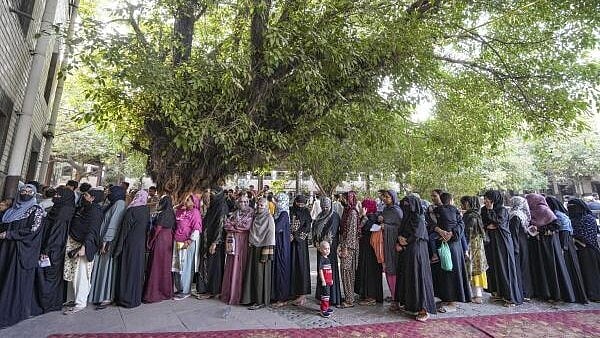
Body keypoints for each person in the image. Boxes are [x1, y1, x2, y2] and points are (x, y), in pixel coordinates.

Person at [0, 184, 45, 328]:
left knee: (12, 280)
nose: (25, 193)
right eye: (23, 191)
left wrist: (10, 235)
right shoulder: (12, 210)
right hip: (6, 249)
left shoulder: (36, 210)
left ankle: (11, 313)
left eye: (29, 191)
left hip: (21, 251)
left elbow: (33, 230)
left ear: (34, 194)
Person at [32, 186, 76, 315]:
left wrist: (46, 250)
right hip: (56, 249)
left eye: (58, 195)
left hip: (54, 250)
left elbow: (56, 234)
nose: (55, 197)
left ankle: (47, 304)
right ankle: (51, 303)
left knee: (48, 277)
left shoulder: (62, 212)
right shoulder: (62, 208)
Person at [526, 193, 575, 303]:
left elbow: (555, 225)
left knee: (551, 267)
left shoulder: (545, 210)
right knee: (541, 268)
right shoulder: (530, 212)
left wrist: (541, 231)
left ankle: (555, 293)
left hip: (548, 245)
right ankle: (544, 292)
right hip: (537, 245)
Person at [63, 189, 105, 314]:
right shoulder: (84, 208)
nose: (83, 196)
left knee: (81, 274)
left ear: (92, 198)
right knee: (72, 272)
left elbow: (93, 230)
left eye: (86, 195)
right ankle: (72, 298)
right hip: (74, 242)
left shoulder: (95, 211)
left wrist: (84, 247)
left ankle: (80, 302)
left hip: (84, 245)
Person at [396, 195, 436, 322]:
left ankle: (423, 308)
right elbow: (402, 232)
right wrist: (400, 240)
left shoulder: (419, 218)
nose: (406, 207)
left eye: (408, 205)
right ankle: (412, 305)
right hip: (407, 252)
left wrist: (405, 241)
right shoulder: (406, 218)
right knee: (410, 277)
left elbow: (417, 234)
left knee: (419, 277)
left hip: (417, 251)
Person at [481, 190, 523, 307]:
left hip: (502, 242)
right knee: (494, 267)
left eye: (487, 198)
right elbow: (484, 223)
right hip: (491, 243)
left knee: (505, 268)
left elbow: (498, 223)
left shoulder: (502, 210)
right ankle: (499, 293)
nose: (485, 201)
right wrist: (489, 221)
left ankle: (511, 298)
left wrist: (490, 213)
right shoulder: (484, 210)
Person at [431, 192, 471, 311]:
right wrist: (451, 233)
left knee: (448, 271)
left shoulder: (435, 211)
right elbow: (461, 224)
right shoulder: (455, 211)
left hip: (445, 243)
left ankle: (451, 302)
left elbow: (431, 225)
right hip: (453, 244)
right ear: (451, 200)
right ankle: (448, 299)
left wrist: (443, 232)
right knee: (449, 271)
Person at [89, 185, 127, 309]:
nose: (108, 193)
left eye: (110, 191)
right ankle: (97, 295)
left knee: (107, 269)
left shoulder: (120, 204)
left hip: (108, 243)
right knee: (101, 268)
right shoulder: (113, 203)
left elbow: (113, 224)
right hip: (103, 240)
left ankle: (106, 297)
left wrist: (105, 241)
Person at [546, 195, 587, 303]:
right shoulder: (559, 214)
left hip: (565, 246)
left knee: (568, 270)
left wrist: (563, 247)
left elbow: (565, 231)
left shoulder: (558, 216)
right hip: (567, 245)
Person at [113, 190, 150, 308]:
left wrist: (117, 249)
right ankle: (135, 298)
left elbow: (124, 231)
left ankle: (125, 299)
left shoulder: (132, 210)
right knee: (136, 271)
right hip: (140, 245)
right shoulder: (145, 210)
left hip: (129, 244)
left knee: (128, 270)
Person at [241, 197, 275, 310]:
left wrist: (266, 253)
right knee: (252, 274)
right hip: (254, 247)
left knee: (261, 276)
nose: (260, 207)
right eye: (258, 205)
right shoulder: (256, 217)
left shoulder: (269, 218)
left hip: (263, 249)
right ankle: (251, 298)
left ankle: (261, 301)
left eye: (262, 205)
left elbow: (270, 236)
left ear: (266, 207)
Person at [220, 195, 253, 305]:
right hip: (233, 242)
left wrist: (234, 226)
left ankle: (240, 295)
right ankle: (230, 293)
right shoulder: (235, 213)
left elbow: (246, 226)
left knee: (241, 266)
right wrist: (235, 226)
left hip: (244, 243)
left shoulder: (251, 213)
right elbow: (226, 224)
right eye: (241, 202)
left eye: (245, 201)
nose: (243, 204)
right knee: (231, 266)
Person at [143, 194, 175, 303]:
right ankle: (165, 292)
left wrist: (150, 241)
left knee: (156, 266)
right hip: (168, 239)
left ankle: (153, 293)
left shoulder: (162, 214)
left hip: (160, 239)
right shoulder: (172, 213)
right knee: (165, 266)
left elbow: (157, 229)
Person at [197, 188, 227, 299]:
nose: (211, 196)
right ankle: (205, 289)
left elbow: (220, 226)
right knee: (207, 264)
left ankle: (212, 291)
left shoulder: (221, 207)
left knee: (214, 267)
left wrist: (215, 242)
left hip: (215, 243)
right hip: (207, 240)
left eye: (214, 194)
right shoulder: (213, 206)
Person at [568, 198, 600, 301]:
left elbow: (588, 237)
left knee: (591, 274)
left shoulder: (587, 218)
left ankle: (594, 294)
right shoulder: (573, 219)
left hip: (589, 250)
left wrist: (574, 238)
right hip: (578, 249)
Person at [172, 194, 202, 300]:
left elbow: (197, 229)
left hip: (187, 243)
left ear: (194, 202)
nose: (186, 201)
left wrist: (189, 241)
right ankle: (179, 288)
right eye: (185, 199)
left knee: (186, 267)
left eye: (188, 199)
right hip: (178, 241)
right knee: (177, 266)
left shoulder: (195, 212)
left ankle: (185, 290)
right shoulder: (180, 210)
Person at [313, 197, 342, 307]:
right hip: (320, 248)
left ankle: (332, 297)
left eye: (327, 206)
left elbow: (332, 232)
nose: (325, 208)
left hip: (329, 249)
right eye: (323, 206)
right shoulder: (320, 215)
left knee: (329, 271)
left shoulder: (334, 216)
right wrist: (316, 241)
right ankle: (321, 295)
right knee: (321, 270)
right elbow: (315, 228)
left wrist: (324, 245)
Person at [355, 198, 383, 304]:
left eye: (363, 206)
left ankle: (371, 297)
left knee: (370, 272)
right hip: (367, 249)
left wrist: (363, 216)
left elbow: (365, 228)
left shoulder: (371, 217)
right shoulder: (373, 216)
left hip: (370, 250)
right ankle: (367, 295)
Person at [460, 196, 488, 304]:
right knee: (477, 268)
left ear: (467, 203)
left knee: (471, 268)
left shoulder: (469, 216)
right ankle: (477, 294)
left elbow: (467, 232)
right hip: (478, 244)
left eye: (463, 203)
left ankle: (476, 295)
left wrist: (465, 247)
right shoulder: (477, 214)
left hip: (471, 245)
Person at [380, 190, 403, 310]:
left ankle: (396, 298)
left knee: (393, 269)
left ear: (393, 198)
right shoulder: (386, 210)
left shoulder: (397, 211)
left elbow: (400, 227)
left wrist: (386, 227)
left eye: (387, 197)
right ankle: (393, 295)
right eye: (384, 197)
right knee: (388, 269)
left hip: (393, 245)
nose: (385, 199)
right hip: (385, 243)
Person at [508, 196, 533, 301]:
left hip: (517, 244)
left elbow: (514, 233)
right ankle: (527, 292)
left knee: (519, 267)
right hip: (523, 244)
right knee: (525, 266)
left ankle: (522, 292)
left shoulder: (515, 215)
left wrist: (514, 248)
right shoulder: (523, 215)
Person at [289, 195, 312, 305]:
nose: (301, 206)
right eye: (299, 204)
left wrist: (296, 236)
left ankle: (302, 294)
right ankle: (292, 292)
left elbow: (307, 227)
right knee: (291, 266)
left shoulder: (306, 212)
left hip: (301, 245)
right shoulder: (290, 210)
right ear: (295, 202)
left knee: (301, 267)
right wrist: (289, 234)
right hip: (289, 244)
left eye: (303, 205)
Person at [271, 192, 292, 307]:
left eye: (277, 201)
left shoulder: (283, 214)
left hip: (282, 247)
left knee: (281, 270)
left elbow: (277, 228)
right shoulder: (280, 213)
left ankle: (282, 298)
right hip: (279, 245)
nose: (276, 203)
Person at [339, 191, 360, 308]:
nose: (342, 200)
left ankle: (349, 299)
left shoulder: (352, 213)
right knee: (346, 272)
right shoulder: (347, 212)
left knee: (346, 271)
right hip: (345, 245)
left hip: (349, 247)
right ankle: (349, 296)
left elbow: (352, 233)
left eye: (344, 198)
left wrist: (345, 248)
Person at [317, 241, 335, 318]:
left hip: (328, 281)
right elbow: (320, 270)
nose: (327, 250)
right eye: (325, 249)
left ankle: (326, 307)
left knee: (327, 295)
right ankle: (323, 310)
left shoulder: (328, 259)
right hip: (324, 281)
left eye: (328, 249)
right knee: (325, 295)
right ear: (321, 250)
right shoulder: (321, 259)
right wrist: (323, 280)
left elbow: (329, 271)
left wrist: (331, 279)